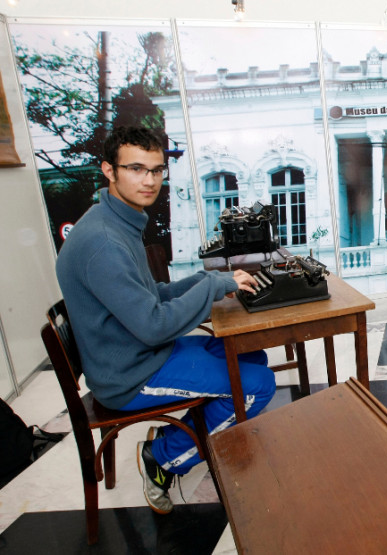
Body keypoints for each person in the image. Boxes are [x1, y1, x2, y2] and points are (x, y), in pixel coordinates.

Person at [55, 126, 276, 515]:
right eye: (136, 169)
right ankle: (162, 457)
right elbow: (154, 325)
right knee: (257, 385)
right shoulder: (103, 242)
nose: (149, 180)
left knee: (252, 356)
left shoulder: (116, 220)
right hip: (129, 374)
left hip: (138, 353)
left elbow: (151, 294)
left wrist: (208, 281)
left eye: (157, 170)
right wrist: (214, 286)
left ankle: (182, 435)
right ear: (109, 170)